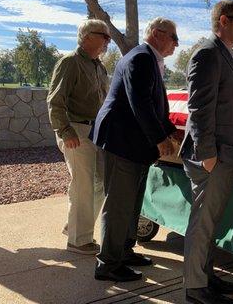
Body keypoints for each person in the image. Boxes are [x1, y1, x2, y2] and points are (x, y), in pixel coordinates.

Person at [91, 17, 179, 282]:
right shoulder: (140, 58)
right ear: (157, 34)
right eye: (174, 38)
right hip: (122, 142)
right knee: (119, 204)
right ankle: (107, 263)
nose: (176, 44)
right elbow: (139, 102)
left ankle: (124, 251)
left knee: (132, 202)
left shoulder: (149, 60)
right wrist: (160, 138)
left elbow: (153, 103)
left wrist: (168, 128)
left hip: (132, 144)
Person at [180, 0, 233, 304]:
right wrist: (206, 152)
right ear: (224, 20)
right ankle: (195, 288)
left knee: (212, 222)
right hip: (211, 156)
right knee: (202, 223)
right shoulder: (208, 53)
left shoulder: (228, 55)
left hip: (226, 155)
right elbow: (199, 107)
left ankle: (206, 276)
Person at [47, 19, 110, 255]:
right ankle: (78, 240)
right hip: (76, 131)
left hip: (96, 132)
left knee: (100, 184)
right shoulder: (70, 62)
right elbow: (55, 100)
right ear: (86, 36)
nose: (107, 41)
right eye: (103, 36)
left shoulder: (99, 67)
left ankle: (75, 228)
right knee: (83, 186)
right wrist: (65, 131)